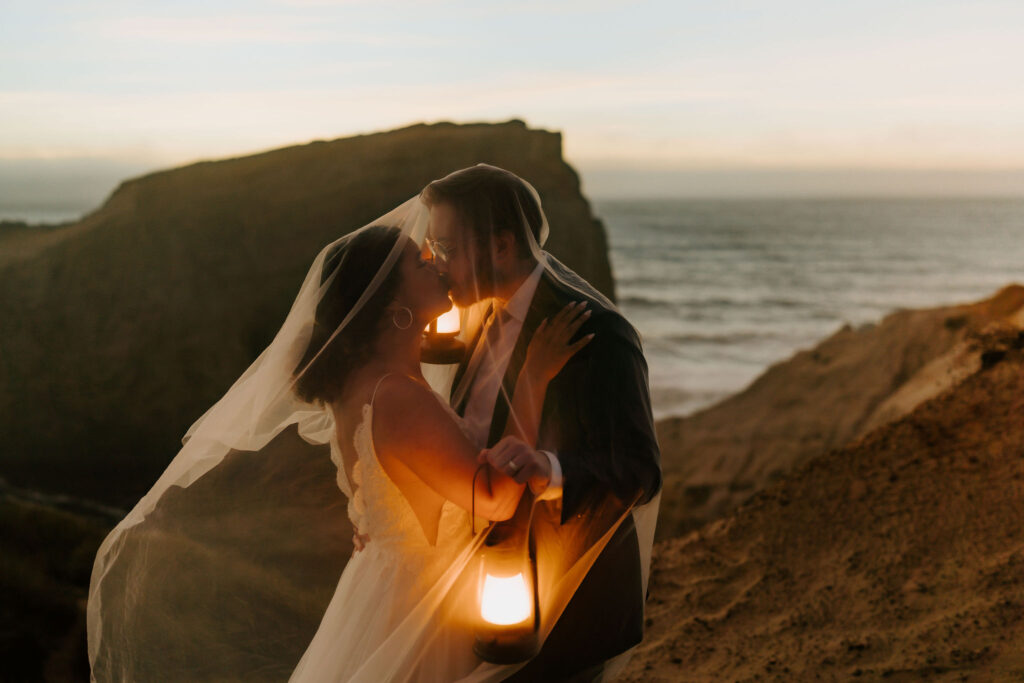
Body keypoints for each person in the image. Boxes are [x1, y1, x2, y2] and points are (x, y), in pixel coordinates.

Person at [86, 190, 609, 682]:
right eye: (419, 262)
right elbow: (492, 500)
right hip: (417, 606)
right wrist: (534, 379)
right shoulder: (395, 395)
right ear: (389, 302)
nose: (434, 260)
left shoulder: (364, 383)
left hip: (381, 582)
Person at [422, 164, 663, 681]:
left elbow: (639, 471)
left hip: (563, 609)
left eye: (446, 249)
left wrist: (549, 470)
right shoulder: (484, 315)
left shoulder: (597, 334)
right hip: (480, 596)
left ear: (502, 246)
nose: (435, 264)